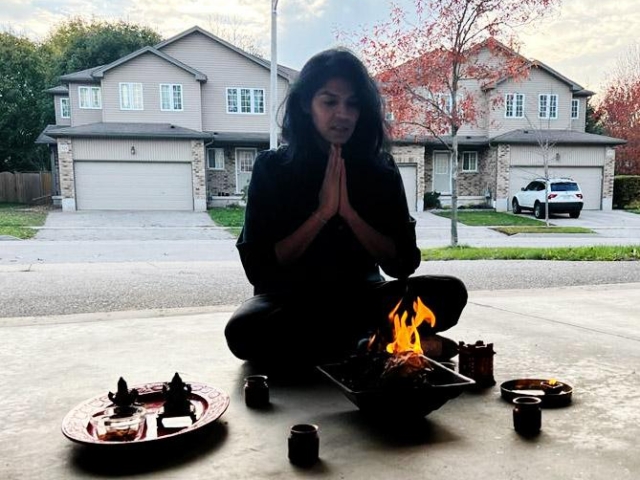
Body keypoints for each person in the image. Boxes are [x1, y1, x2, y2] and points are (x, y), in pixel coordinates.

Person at [224, 47, 467, 368]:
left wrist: (350, 214)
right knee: (245, 331)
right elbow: (258, 269)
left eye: (353, 104)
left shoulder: (380, 169)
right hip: (292, 303)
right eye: (329, 102)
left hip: (364, 298)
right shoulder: (272, 168)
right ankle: (379, 342)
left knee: (450, 293)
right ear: (306, 105)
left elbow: (403, 264)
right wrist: (323, 212)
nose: (343, 114)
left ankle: (352, 345)